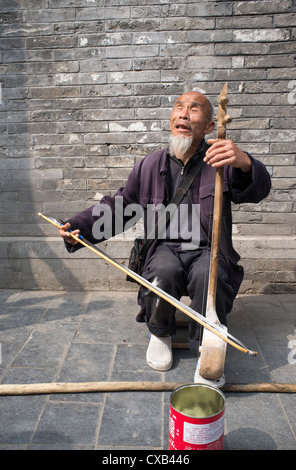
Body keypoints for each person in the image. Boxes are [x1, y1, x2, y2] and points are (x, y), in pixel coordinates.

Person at [59, 91, 271, 374]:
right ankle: (160, 333)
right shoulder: (150, 165)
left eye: (194, 110)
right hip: (165, 248)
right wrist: (79, 227)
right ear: (172, 118)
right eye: (179, 108)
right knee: (163, 272)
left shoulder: (221, 163)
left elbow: (258, 190)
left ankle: (207, 346)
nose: (183, 113)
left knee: (210, 276)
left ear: (209, 126)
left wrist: (244, 162)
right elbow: (121, 207)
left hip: (207, 248)